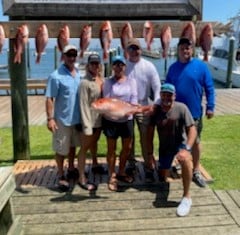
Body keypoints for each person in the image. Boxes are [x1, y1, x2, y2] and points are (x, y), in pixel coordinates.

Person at [165, 37, 215, 187]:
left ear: (192, 50)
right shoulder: (173, 68)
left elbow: (210, 88)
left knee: (195, 142)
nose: (185, 51)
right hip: (176, 113)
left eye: (188, 48)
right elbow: (167, 89)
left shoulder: (201, 67)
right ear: (178, 50)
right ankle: (181, 162)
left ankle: (196, 170)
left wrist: (211, 106)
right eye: (182, 48)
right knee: (177, 141)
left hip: (194, 113)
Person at [148, 83, 197, 217]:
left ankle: (187, 196)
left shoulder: (182, 108)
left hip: (180, 146)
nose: (166, 97)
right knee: (164, 177)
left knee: (186, 160)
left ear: (174, 96)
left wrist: (187, 149)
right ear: (160, 95)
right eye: (163, 94)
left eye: (169, 95)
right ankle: (168, 168)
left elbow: (192, 129)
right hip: (164, 149)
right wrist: (149, 153)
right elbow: (149, 133)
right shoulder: (155, 111)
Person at [45, 44, 81, 192]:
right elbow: (49, 98)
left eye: (74, 55)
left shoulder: (78, 73)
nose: (72, 58)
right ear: (63, 56)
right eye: (69, 55)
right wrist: (50, 118)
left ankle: (71, 168)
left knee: (73, 146)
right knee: (61, 149)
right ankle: (60, 174)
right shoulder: (55, 75)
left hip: (77, 119)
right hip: (62, 120)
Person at [125, 38, 161, 182]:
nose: (134, 51)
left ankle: (148, 166)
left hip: (144, 105)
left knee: (146, 139)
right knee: (128, 139)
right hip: (126, 107)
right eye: (131, 48)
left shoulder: (149, 66)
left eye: (137, 48)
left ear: (141, 50)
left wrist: (155, 104)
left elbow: (157, 87)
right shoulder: (123, 65)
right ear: (127, 51)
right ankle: (131, 163)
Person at [102, 55, 137, 191]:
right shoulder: (108, 82)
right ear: (112, 67)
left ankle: (121, 171)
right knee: (111, 149)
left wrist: (130, 110)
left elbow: (134, 99)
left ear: (125, 66)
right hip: (111, 120)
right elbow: (107, 101)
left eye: (121, 64)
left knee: (127, 148)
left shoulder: (131, 82)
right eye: (116, 64)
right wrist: (116, 112)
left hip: (127, 119)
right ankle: (112, 175)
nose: (118, 67)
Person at [77, 54, 105, 192]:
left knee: (94, 144)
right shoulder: (84, 83)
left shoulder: (100, 80)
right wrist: (86, 126)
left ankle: (94, 164)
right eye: (92, 63)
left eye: (97, 63)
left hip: (98, 120)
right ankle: (81, 176)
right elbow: (82, 105)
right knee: (84, 148)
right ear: (88, 65)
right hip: (89, 122)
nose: (95, 66)